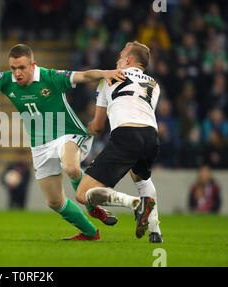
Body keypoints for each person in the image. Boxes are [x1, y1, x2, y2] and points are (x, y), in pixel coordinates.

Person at [0, 43, 131, 240]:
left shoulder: (51, 77)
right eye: (13, 68)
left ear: (32, 65)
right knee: (55, 202)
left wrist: (105, 73)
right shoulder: (6, 80)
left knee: (71, 167)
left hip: (66, 133)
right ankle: (89, 233)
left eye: (22, 67)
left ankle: (93, 207)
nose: (17, 73)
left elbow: (85, 75)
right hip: (40, 144)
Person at [76, 41, 163, 243]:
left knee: (83, 193)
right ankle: (155, 231)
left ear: (128, 60)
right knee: (141, 178)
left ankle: (135, 204)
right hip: (151, 136)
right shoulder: (154, 84)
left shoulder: (109, 78)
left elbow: (98, 126)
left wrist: (82, 130)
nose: (117, 60)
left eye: (120, 55)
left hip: (126, 135)